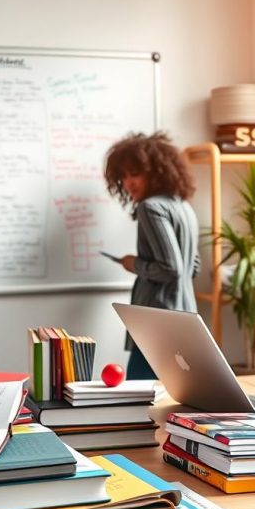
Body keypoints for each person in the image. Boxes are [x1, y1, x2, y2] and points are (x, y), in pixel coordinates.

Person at [104, 132, 200, 380]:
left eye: (134, 174)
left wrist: (133, 263)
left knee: (138, 398)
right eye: (123, 177)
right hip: (185, 314)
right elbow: (193, 266)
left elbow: (171, 269)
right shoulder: (183, 206)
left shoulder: (151, 207)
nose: (128, 183)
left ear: (156, 172)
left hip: (156, 320)